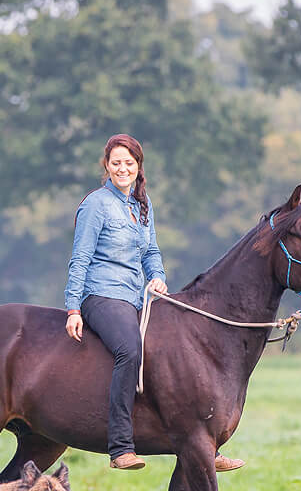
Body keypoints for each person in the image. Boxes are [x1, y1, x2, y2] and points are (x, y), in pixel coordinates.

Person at [64, 134, 244, 473]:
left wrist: (157, 276)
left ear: (138, 167)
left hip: (136, 297)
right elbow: (80, 257)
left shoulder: (141, 205)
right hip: (101, 295)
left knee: (175, 350)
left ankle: (203, 442)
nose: (122, 168)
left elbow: (151, 252)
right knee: (129, 349)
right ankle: (120, 446)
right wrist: (73, 307)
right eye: (116, 163)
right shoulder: (95, 205)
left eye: (129, 163)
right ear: (106, 166)